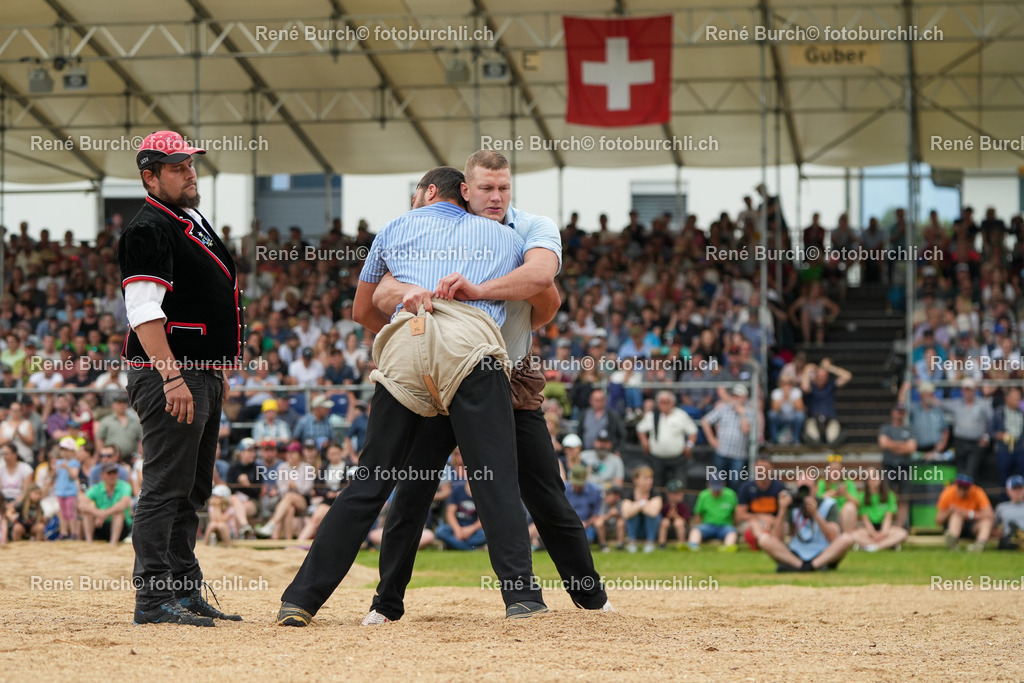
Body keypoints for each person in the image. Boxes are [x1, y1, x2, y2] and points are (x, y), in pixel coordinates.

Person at [276, 165, 546, 627]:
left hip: (407, 342)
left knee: (370, 481)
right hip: (470, 347)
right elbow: (543, 288)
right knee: (494, 478)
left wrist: (409, 323)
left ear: (427, 192)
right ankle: (521, 597)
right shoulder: (505, 236)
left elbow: (362, 310)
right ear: (464, 194)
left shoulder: (394, 228)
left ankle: (300, 600)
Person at [353, 153, 608, 626]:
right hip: (442, 375)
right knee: (413, 491)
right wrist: (417, 330)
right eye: (487, 188)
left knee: (545, 493)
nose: (496, 197)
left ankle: (592, 598)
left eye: (503, 188)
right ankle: (385, 604)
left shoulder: (529, 228)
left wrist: (481, 292)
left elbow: (545, 290)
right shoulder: (438, 233)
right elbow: (381, 292)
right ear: (465, 192)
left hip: (507, 375)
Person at [119, 130, 243, 626]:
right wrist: (173, 378)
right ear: (149, 177)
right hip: (170, 374)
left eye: (190, 164)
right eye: (177, 168)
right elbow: (143, 311)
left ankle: (184, 590)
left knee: (191, 491)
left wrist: (212, 371)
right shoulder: (148, 228)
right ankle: (153, 598)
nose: (190, 173)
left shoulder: (185, 220)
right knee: (164, 488)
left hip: (198, 372)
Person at [756, 480, 854, 572]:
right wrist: (782, 511)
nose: (804, 493)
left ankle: (812, 565)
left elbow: (833, 537)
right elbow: (778, 538)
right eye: (801, 488)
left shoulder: (828, 504)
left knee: (847, 538)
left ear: (816, 488)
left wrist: (816, 514)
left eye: (807, 488)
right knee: (764, 539)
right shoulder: (792, 505)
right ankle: (802, 566)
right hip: (796, 553)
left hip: (823, 552)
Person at [636, 391, 698, 487]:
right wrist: (645, 443)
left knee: (679, 484)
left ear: (673, 403)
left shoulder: (681, 415)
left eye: (667, 402)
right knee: (656, 485)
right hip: (656, 458)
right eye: (662, 402)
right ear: (657, 403)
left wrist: (689, 445)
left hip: (678, 459)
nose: (665, 405)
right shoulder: (652, 415)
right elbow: (640, 429)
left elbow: (693, 431)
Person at [702, 385, 756, 488]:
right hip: (722, 451)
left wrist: (742, 414)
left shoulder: (749, 412)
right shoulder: (724, 408)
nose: (736, 398)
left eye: (739, 396)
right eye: (734, 396)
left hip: (738, 454)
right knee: (718, 481)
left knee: (735, 482)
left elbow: (745, 430)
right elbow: (705, 421)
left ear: (745, 397)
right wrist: (711, 439)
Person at [939, 378, 992, 480]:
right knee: (960, 471)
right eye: (965, 390)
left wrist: (986, 437)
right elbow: (939, 403)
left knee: (971, 472)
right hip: (960, 442)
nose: (968, 392)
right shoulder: (956, 404)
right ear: (962, 391)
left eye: (970, 389)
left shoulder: (983, 404)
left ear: (975, 390)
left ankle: (970, 489)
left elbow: (991, 422)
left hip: (976, 443)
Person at [735, 457, 787, 550]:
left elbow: (784, 511)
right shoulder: (746, 487)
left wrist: (775, 521)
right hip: (753, 523)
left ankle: (766, 541)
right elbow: (740, 515)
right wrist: (762, 517)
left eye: (765, 468)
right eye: (760, 468)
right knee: (754, 524)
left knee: (784, 525)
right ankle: (765, 541)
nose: (762, 471)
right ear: (755, 468)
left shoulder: (780, 487)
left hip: (774, 523)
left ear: (771, 468)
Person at [851, 469, 908, 551]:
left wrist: (883, 533)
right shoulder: (862, 496)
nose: (871, 480)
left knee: (902, 534)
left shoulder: (889, 495)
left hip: (885, 528)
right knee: (853, 535)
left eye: (874, 477)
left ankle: (873, 547)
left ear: (880, 478)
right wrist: (873, 534)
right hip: (869, 529)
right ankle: (885, 544)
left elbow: (888, 517)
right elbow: (865, 519)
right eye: (869, 478)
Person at [79, 462, 134, 544]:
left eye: (114, 473)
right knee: (87, 512)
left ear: (118, 474)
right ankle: (89, 542)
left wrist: (104, 514)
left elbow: (123, 505)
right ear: (102, 475)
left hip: (121, 528)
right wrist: (97, 513)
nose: (112, 476)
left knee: (118, 513)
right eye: (109, 473)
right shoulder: (97, 488)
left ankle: (113, 543)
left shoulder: (125, 486)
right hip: (100, 526)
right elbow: (81, 505)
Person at [936, 473, 993, 552]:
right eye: (960, 487)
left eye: (965, 488)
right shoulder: (948, 492)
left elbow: (989, 515)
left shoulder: (978, 492)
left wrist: (968, 514)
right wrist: (950, 511)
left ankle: (979, 545)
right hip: (954, 526)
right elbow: (938, 520)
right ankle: (952, 541)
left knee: (987, 521)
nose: (962, 491)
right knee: (956, 515)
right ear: (956, 485)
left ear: (971, 487)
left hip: (973, 526)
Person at [687, 472, 739, 551]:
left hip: (725, 526)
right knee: (696, 530)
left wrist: (735, 526)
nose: (716, 491)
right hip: (708, 526)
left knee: (732, 532)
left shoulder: (731, 494)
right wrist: (698, 526)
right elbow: (698, 514)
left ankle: (728, 547)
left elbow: (735, 514)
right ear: (708, 485)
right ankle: (692, 546)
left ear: (724, 484)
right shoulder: (703, 495)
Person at [435, 480, 487, 550]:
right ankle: (471, 548)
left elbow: (484, 518)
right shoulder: (458, 489)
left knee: (486, 534)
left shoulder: (483, 492)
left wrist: (469, 530)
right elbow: (450, 513)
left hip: (474, 530)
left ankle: (454, 545)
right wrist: (457, 530)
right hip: (456, 527)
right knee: (440, 531)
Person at [622, 466, 662, 553]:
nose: (649, 481)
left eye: (650, 478)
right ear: (636, 480)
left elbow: (654, 512)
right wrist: (643, 503)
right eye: (645, 478)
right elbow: (626, 514)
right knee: (633, 515)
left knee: (653, 516)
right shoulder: (629, 494)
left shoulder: (655, 493)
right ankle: (632, 542)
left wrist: (636, 506)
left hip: (649, 529)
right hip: (636, 528)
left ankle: (650, 542)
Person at [989, 386, 1024, 486]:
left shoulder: (1021, 413)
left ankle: (1020, 495)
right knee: (1004, 477)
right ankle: (1004, 496)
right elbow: (991, 430)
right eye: (1016, 399)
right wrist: (999, 435)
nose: (1018, 402)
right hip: (1004, 449)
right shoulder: (999, 412)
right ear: (1008, 399)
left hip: (1019, 449)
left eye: (1019, 399)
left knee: (1020, 477)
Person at [93, 394, 143, 460]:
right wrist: (103, 455)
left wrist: (139, 455)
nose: (122, 405)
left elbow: (141, 440)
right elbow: (99, 439)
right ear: (113, 405)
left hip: (131, 458)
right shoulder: (106, 421)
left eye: (124, 403)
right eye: (119, 403)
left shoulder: (135, 421)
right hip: (111, 458)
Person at [564, 464, 604, 544]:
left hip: (588, 524)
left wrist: (586, 523)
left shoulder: (595, 491)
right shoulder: (564, 489)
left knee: (587, 540)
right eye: (575, 483)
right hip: (568, 524)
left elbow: (596, 514)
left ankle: (601, 543)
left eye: (580, 484)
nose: (577, 486)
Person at [53, 436, 81, 540]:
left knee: (71, 513)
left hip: (70, 492)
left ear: (72, 451)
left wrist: (67, 468)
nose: (64, 453)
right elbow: (54, 476)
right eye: (63, 450)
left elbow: (74, 475)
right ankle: (63, 532)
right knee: (63, 513)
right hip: (60, 491)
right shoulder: (58, 462)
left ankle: (73, 533)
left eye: (67, 450)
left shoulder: (75, 463)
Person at [768, 376, 805, 444]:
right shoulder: (776, 392)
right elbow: (774, 409)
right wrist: (783, 397)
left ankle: (796, 439)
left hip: (792, 418)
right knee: (771, 415)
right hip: (781, 418)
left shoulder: (796, 391)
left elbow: (801, 408)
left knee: (800, 416)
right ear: (780, 384)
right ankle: (774, 439)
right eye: (784, 383)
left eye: (789, 383)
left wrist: (790, 398)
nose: (786, 385)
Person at [657, 480, 692, 549]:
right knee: (664, 522)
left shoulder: (683, 506)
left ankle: (682, 544)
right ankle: (661, 544)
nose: (680, 495)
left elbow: (686, 521)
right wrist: (669, 516)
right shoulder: (665, 506)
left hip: (682, 528)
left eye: (681, 493)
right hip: (668, 530)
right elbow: (660, 518)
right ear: (669, 495)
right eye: (676, 493)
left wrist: (676, 516)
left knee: (678, 522)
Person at [993, 475, 1024, 550]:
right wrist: (1001, 535)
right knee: (1008, 538)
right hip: (1010, 537)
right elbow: (993, 527)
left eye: (1020, 488)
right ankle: (1018, 539)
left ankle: (1020, 537)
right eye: (1014, 489)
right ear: (1008, 491)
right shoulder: (1001, 507)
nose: (1018, 491)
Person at [594, 486, 625, 552]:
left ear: (617, 496)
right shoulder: (603, 503)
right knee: (599, 522)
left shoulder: (621, 503)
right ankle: (603, 545)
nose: (607, 498)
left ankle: (620, 545)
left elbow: (625, 518)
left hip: (617, 528)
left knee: (621, 522)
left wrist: (617, 515)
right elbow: (599, 518)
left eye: (610, 495)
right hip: (606, 527)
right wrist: (609, 515)